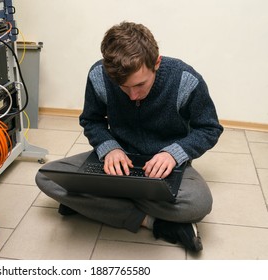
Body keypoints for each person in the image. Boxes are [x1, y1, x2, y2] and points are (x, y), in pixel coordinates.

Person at [35, 22, 223, 252]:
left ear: (157, 63)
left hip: (165, 167)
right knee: (46, 177)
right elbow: (92, 120)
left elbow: (209, 129)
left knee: (199, 204)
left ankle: (93, 202)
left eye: (140, 84)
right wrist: (109, 148)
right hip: (115, 161)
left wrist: (173, 154)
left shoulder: (185, 79)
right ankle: (156, 223)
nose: (133, 95)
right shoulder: (99, 75)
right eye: (123, 87)